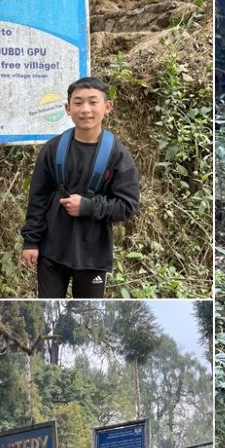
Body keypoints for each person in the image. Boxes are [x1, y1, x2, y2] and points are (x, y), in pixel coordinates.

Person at [20, 77, 141, 298]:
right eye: (78, 103)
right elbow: (37, 198)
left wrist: (88, 206)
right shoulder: (53, 149)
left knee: (87, 314)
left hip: (92, 256)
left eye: (93, 102)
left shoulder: (118, 155)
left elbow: (127, 205)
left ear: (107, 107)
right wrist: (31, 241)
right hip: (51, 252)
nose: (85, 109)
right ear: (68, 108)